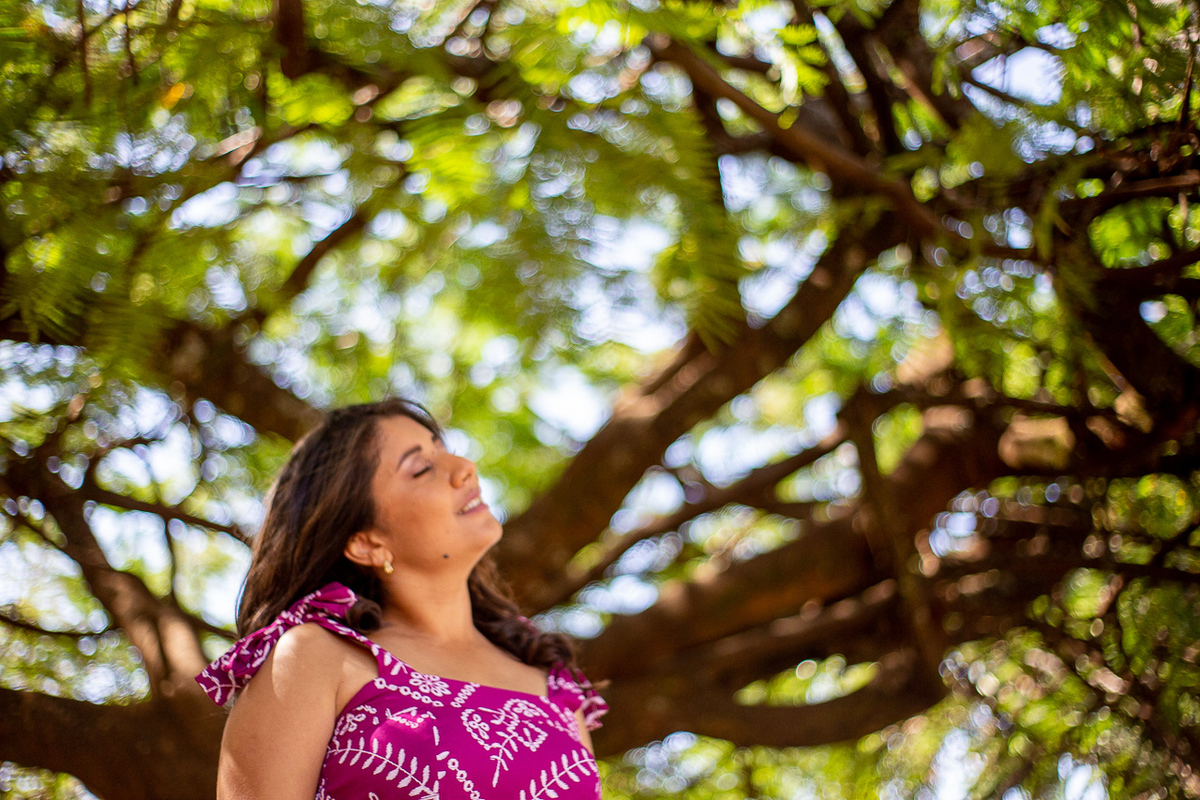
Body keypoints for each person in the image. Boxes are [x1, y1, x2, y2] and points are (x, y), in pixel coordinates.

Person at [195, 398, 608, 800]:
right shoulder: (314, 657)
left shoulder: (552, 685)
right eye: (422, 468)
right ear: (367, 543)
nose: (465, 468)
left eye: (445, 451)